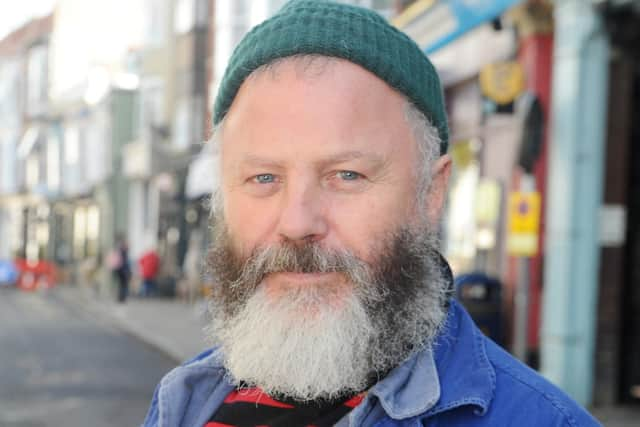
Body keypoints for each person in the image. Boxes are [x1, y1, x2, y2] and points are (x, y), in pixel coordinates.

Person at [143, 1, 600, 426]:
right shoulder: (182, 404)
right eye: (264, 178)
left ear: (431, 192)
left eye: (346, 175)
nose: (298, 223)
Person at [108, 234, 130, 303]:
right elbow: (125, 262)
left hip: (118, 269)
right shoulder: (123, 250)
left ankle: (120, 297)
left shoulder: (118, 248)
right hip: (122, 270)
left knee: (121, 284)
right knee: (123, 284)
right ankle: (122, 298)